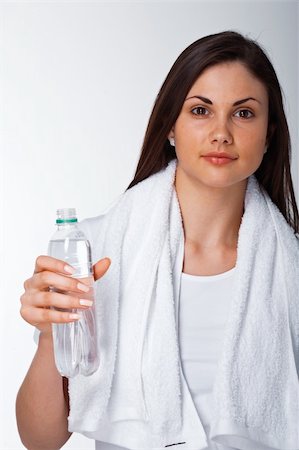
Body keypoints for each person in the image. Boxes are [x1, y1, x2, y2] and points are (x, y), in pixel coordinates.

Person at [16, 30, 299, 450]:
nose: (221, 133)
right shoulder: (96, 251)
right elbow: (41, 441)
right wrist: (49, 334)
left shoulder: (290, 269)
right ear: (170, 125)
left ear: (269, 133)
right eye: (201, 110)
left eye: (243, 114)